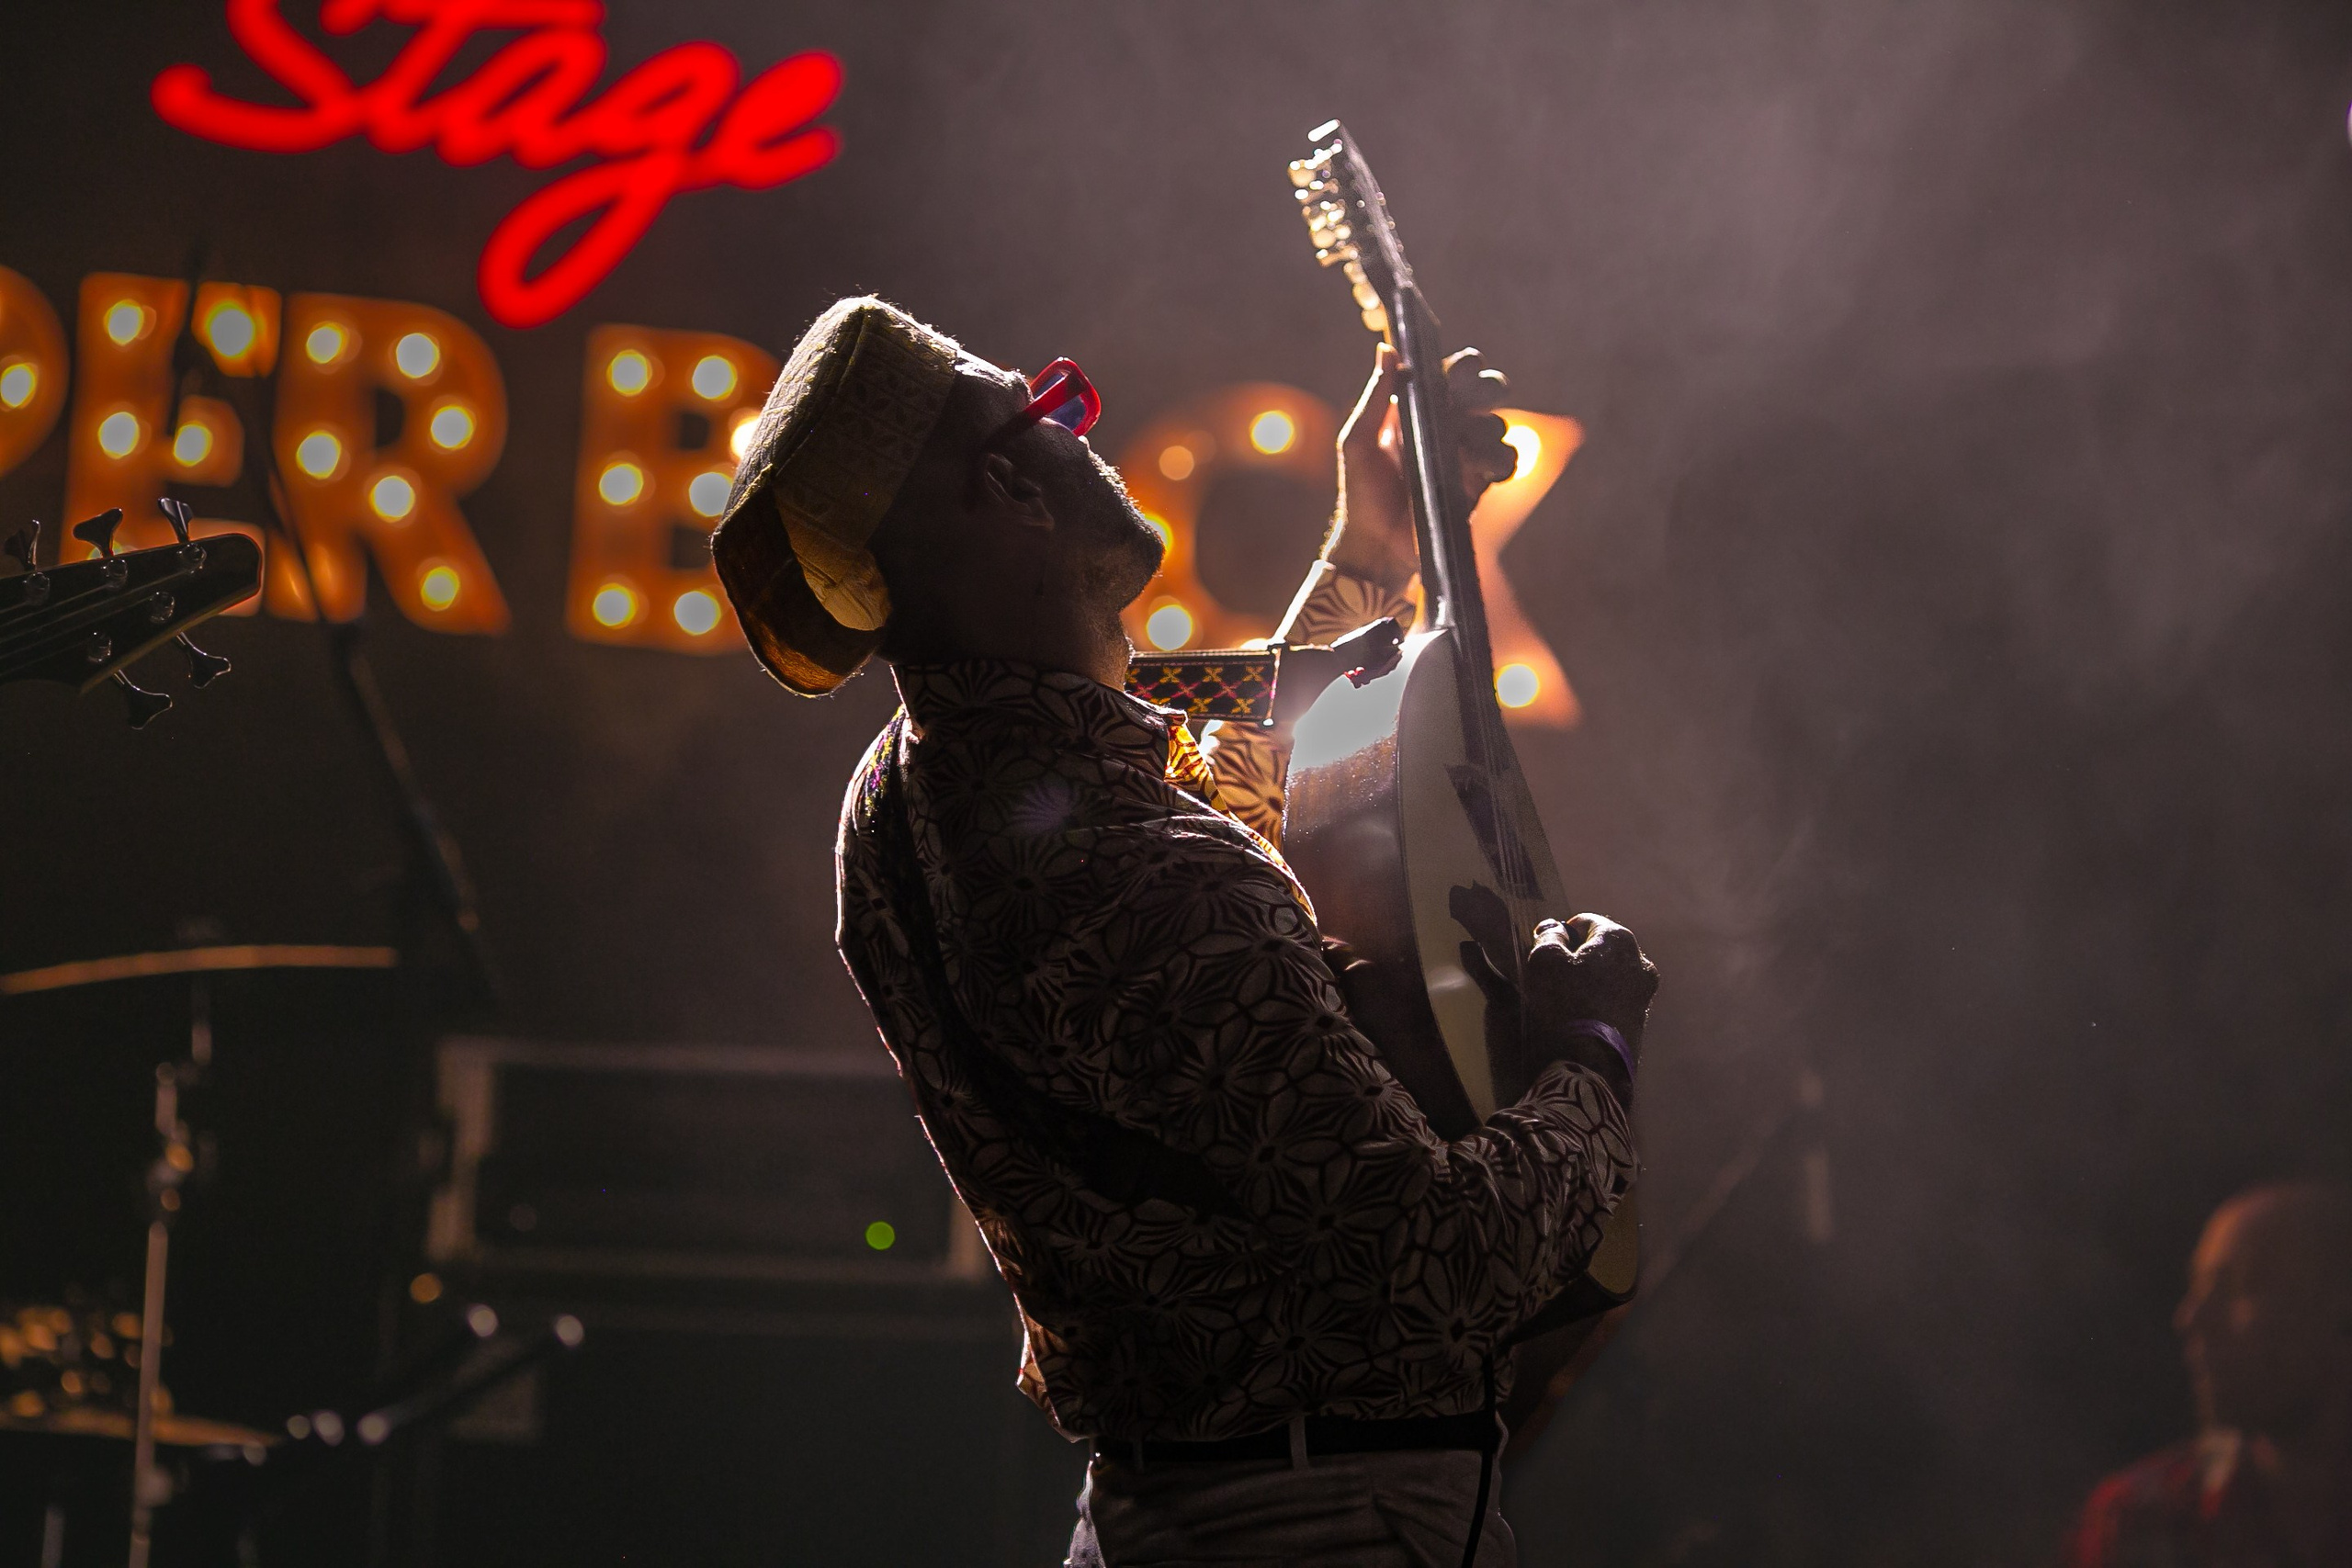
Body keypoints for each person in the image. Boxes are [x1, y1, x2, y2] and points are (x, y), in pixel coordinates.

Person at [711, 298, 1654, 1567]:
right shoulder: (1147, 872)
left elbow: (1224, 802)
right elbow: (1440, 1263)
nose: (1079, 428)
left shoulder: (892, 803)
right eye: (1049, 408)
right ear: (1010, 485)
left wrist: (1373, 544)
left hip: (1164, 1511)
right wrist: (1592, 1049)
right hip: (1325, 1529)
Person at [2064, 1182, 2352, 1568]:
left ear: (2340, 1306)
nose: (2190, 1319)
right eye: (2198, 1288)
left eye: (2237, 1287)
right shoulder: (2139, 1519)